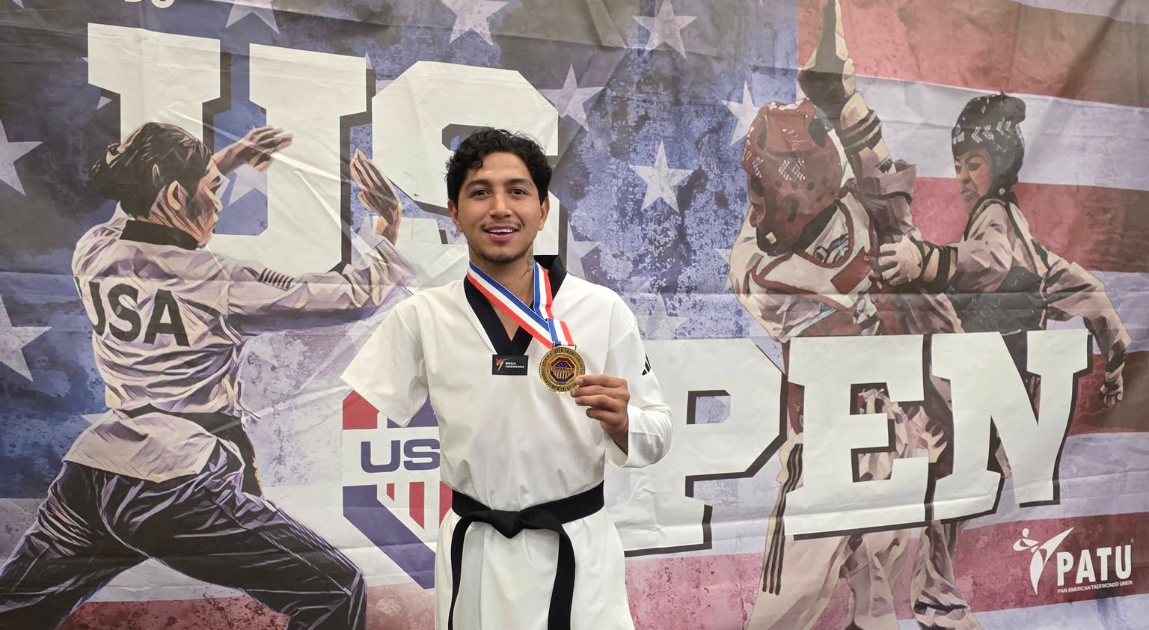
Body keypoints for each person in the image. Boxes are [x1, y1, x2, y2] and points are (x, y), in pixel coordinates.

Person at [0, 121, 412, 630]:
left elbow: (138, 204)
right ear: (177, 196)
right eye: (212, 190)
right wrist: (387, 226)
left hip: (92, 475)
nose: (217, 206)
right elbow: (356, 296)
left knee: (13, 611)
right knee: (335, 589)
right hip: (175, 484)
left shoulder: (96, 249)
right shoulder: (218, 280)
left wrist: (228, 159)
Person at [342, 127, 673, 630]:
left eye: (517, 191)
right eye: (480, 192)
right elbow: (370, 403)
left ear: (542, 210)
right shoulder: (422, 316)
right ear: (455, 213)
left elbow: (658, 433)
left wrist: (626, 423)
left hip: (575, 549)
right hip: (476, 551)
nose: (499, 208)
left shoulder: (601, 309)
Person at [733, 1, 973, 628]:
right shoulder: (758, 264)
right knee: (783, 607)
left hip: (892, 434)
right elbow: (834, 316)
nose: (756, 203)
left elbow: (885, 181)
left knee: (879, 593)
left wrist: (845, 105)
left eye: (765, 187)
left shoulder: (859, 209)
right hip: (826, 438)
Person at [875, 92, 1129, 409]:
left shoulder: (995, 215)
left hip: (992, 398)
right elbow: (1090, 293)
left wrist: (924, 260)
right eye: (958, 167)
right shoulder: (1027, 244)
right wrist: (1115, 361)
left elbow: (989, 259)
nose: (963, 178)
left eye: (974, 165)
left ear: (1000, 165)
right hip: (1012, 403)